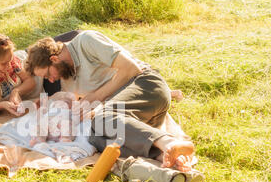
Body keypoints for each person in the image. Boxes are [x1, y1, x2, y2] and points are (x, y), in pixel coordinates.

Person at [25, 30, 194, 172]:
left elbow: (131, 69)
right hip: (131, 116)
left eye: (47, 75)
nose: (51, 81)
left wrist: (96, 97)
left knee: (102, 119)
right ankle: (165, 154)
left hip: (146, 85)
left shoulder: (86, 41)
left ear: (54, 59)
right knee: (95, 137)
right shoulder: (67, 80)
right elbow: (81, 112)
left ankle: (169, 142)